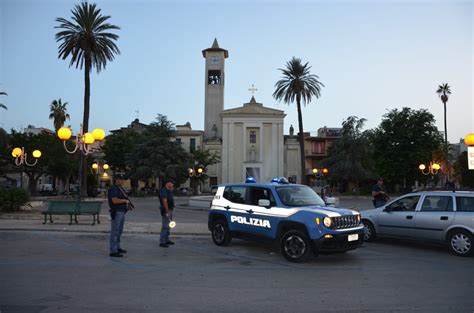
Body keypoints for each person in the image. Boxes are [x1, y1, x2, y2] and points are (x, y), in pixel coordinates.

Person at [108, 174, 133, 257]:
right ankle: (113, 250)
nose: (122, 181)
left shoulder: (120, 188)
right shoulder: (113, 189)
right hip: (116, 211)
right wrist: (125, 201)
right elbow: (114, 200)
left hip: (122, 211)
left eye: (122, 180)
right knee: (115, 231)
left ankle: (117, 247)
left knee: (119, 231)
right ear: (116, 180)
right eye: (121, 180)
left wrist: (127, 204)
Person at [159, 179, 175, 248]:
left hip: (170, 210)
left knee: (169, 226)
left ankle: (166, 239)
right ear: (167, 183)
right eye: (171, 183)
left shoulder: (169, 190)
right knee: (165, 226)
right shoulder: (164, 191)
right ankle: (162, 241)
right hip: (166, 210)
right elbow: (164, 201)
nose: (172, 185)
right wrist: (167, 211)